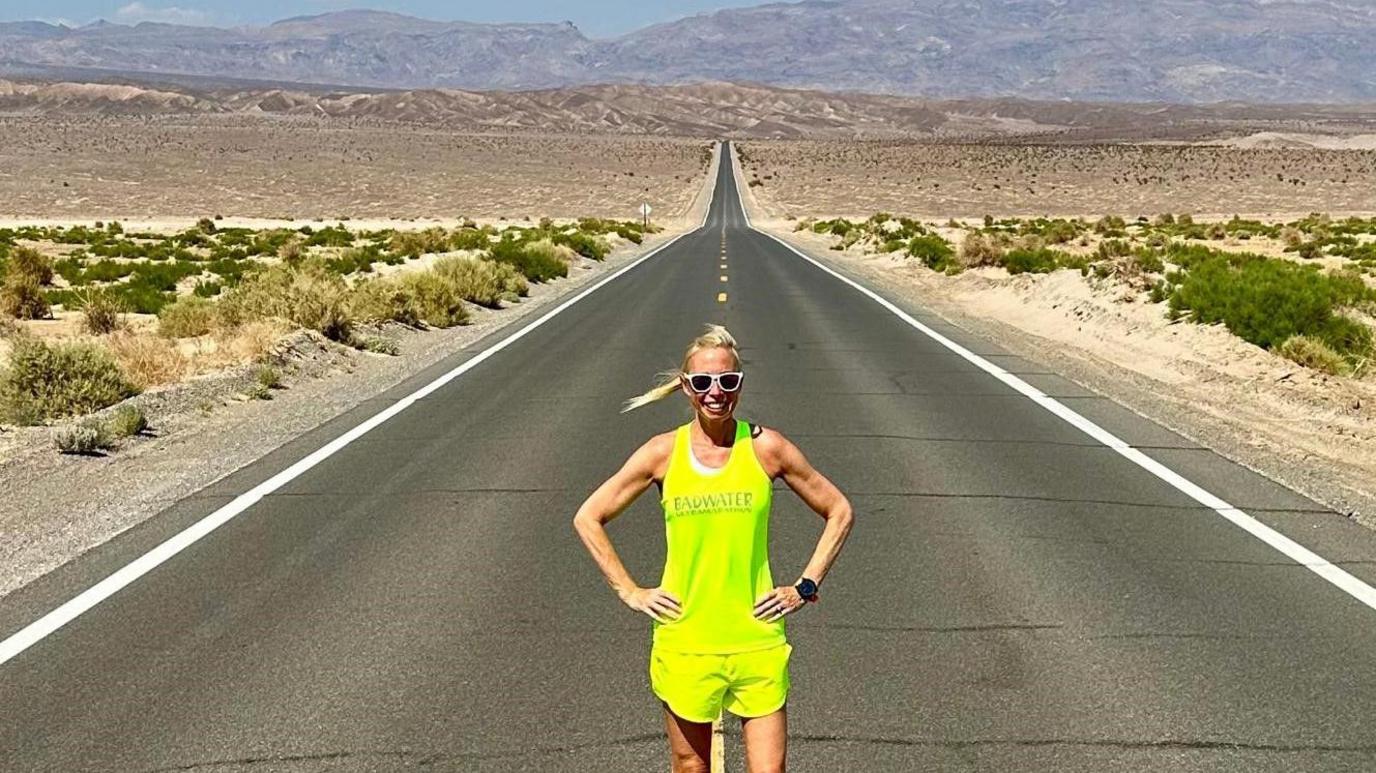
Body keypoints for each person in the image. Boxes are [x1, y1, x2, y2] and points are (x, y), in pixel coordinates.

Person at [573, 324, 854, 773]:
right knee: (690, 764)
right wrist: (630, 590)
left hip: (756, 639)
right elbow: (588, 517)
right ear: (686, 387)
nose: (715, 392)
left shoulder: (767, 448)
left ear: (739, 384)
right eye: (702, 382)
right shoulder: (662, 453)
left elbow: (838, 509)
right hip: (686, 639)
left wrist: (804, 586)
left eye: (727, 381)